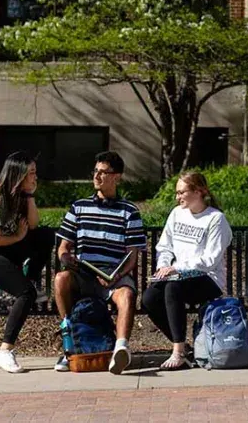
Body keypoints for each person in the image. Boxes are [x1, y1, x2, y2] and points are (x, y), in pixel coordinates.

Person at [54, 151, 146, 374]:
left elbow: (132, 255)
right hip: (85, 275)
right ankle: (71, 347)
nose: (97, 176)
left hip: (115, 276)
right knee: (61, 279)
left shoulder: (129, 211)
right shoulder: (79, 207)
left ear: (117, 177)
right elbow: (63, 249)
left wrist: (116, 275)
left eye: (103, 172)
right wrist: (68, 259)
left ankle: (120, 349)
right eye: (95, 171)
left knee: (127, 295)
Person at [0, 152, 55, 373]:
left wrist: (30, 196)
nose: (35, 177)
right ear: (19, 175)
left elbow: (33, 226)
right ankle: (4, 350)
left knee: (45, 235)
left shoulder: (21, 196)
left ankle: (30, 280)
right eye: (31, 173)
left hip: (6, 248)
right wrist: (18, 237)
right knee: (26, 293)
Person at [142, 171, 232, 370]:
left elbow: (210, 259)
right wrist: (163, 267)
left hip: (208, 279)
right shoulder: (176, 214)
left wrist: (176, 268)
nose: (178, 197)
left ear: (199, 191)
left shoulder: (216, 219)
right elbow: (164, 247)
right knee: (149, 298)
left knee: (173, 287)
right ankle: (187, 347)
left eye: (182, 192)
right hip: (178, 275)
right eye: (177, 193)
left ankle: (178, 352)